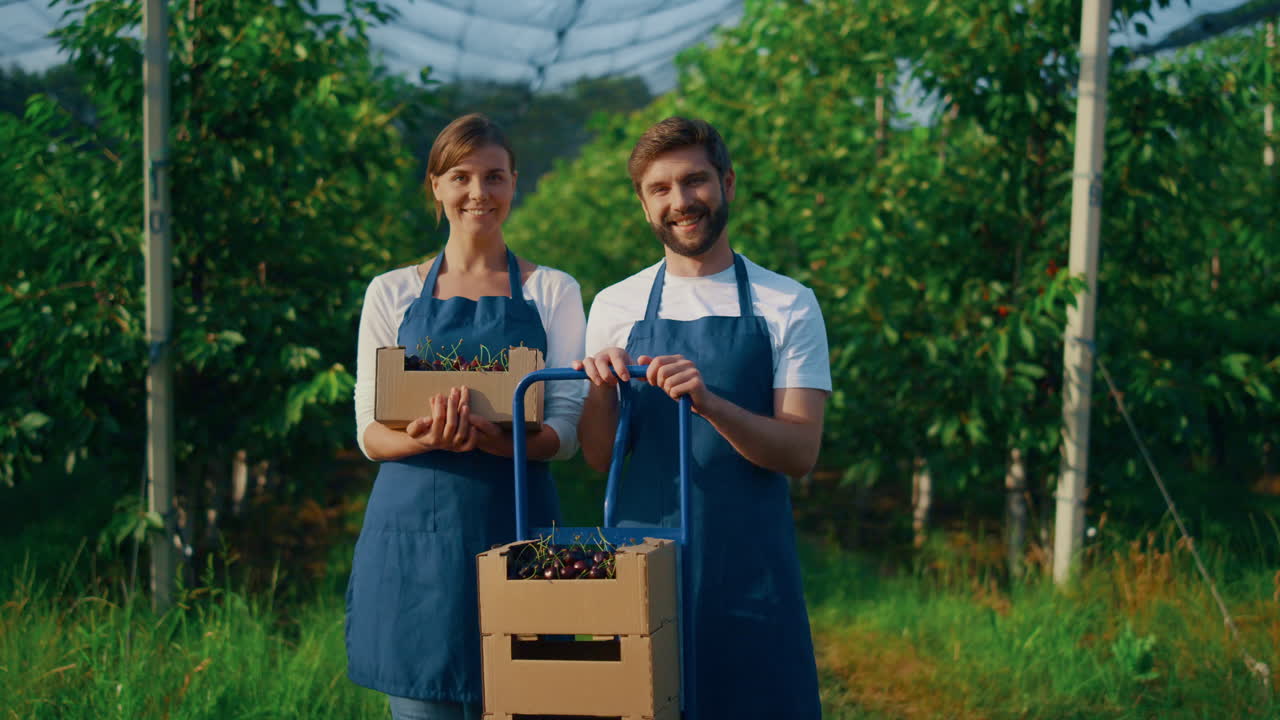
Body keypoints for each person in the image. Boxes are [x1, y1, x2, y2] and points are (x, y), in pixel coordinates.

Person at [573, 116, 829, 718]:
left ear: (728, 184)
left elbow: (799, 452)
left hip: (750, 566)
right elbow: (597, 456)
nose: (681, 201)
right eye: (660, 189)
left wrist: (710, 403)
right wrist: (602, 388)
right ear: (644, 205)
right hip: (642, 562)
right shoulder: (615, 304)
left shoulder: (787, 303)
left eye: (695, 181)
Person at [346, 113, 586, 720]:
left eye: (494, 177)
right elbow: (370, 431)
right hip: (415, 538)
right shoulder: (392, 291)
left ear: (513, 184)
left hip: (520, 524)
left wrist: (495, 445)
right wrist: (428, 438)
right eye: (461, 176)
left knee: (528, 696)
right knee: (423, 701)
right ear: (436, 186)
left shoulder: (551, 291)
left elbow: (564, 431)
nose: (479, 192)